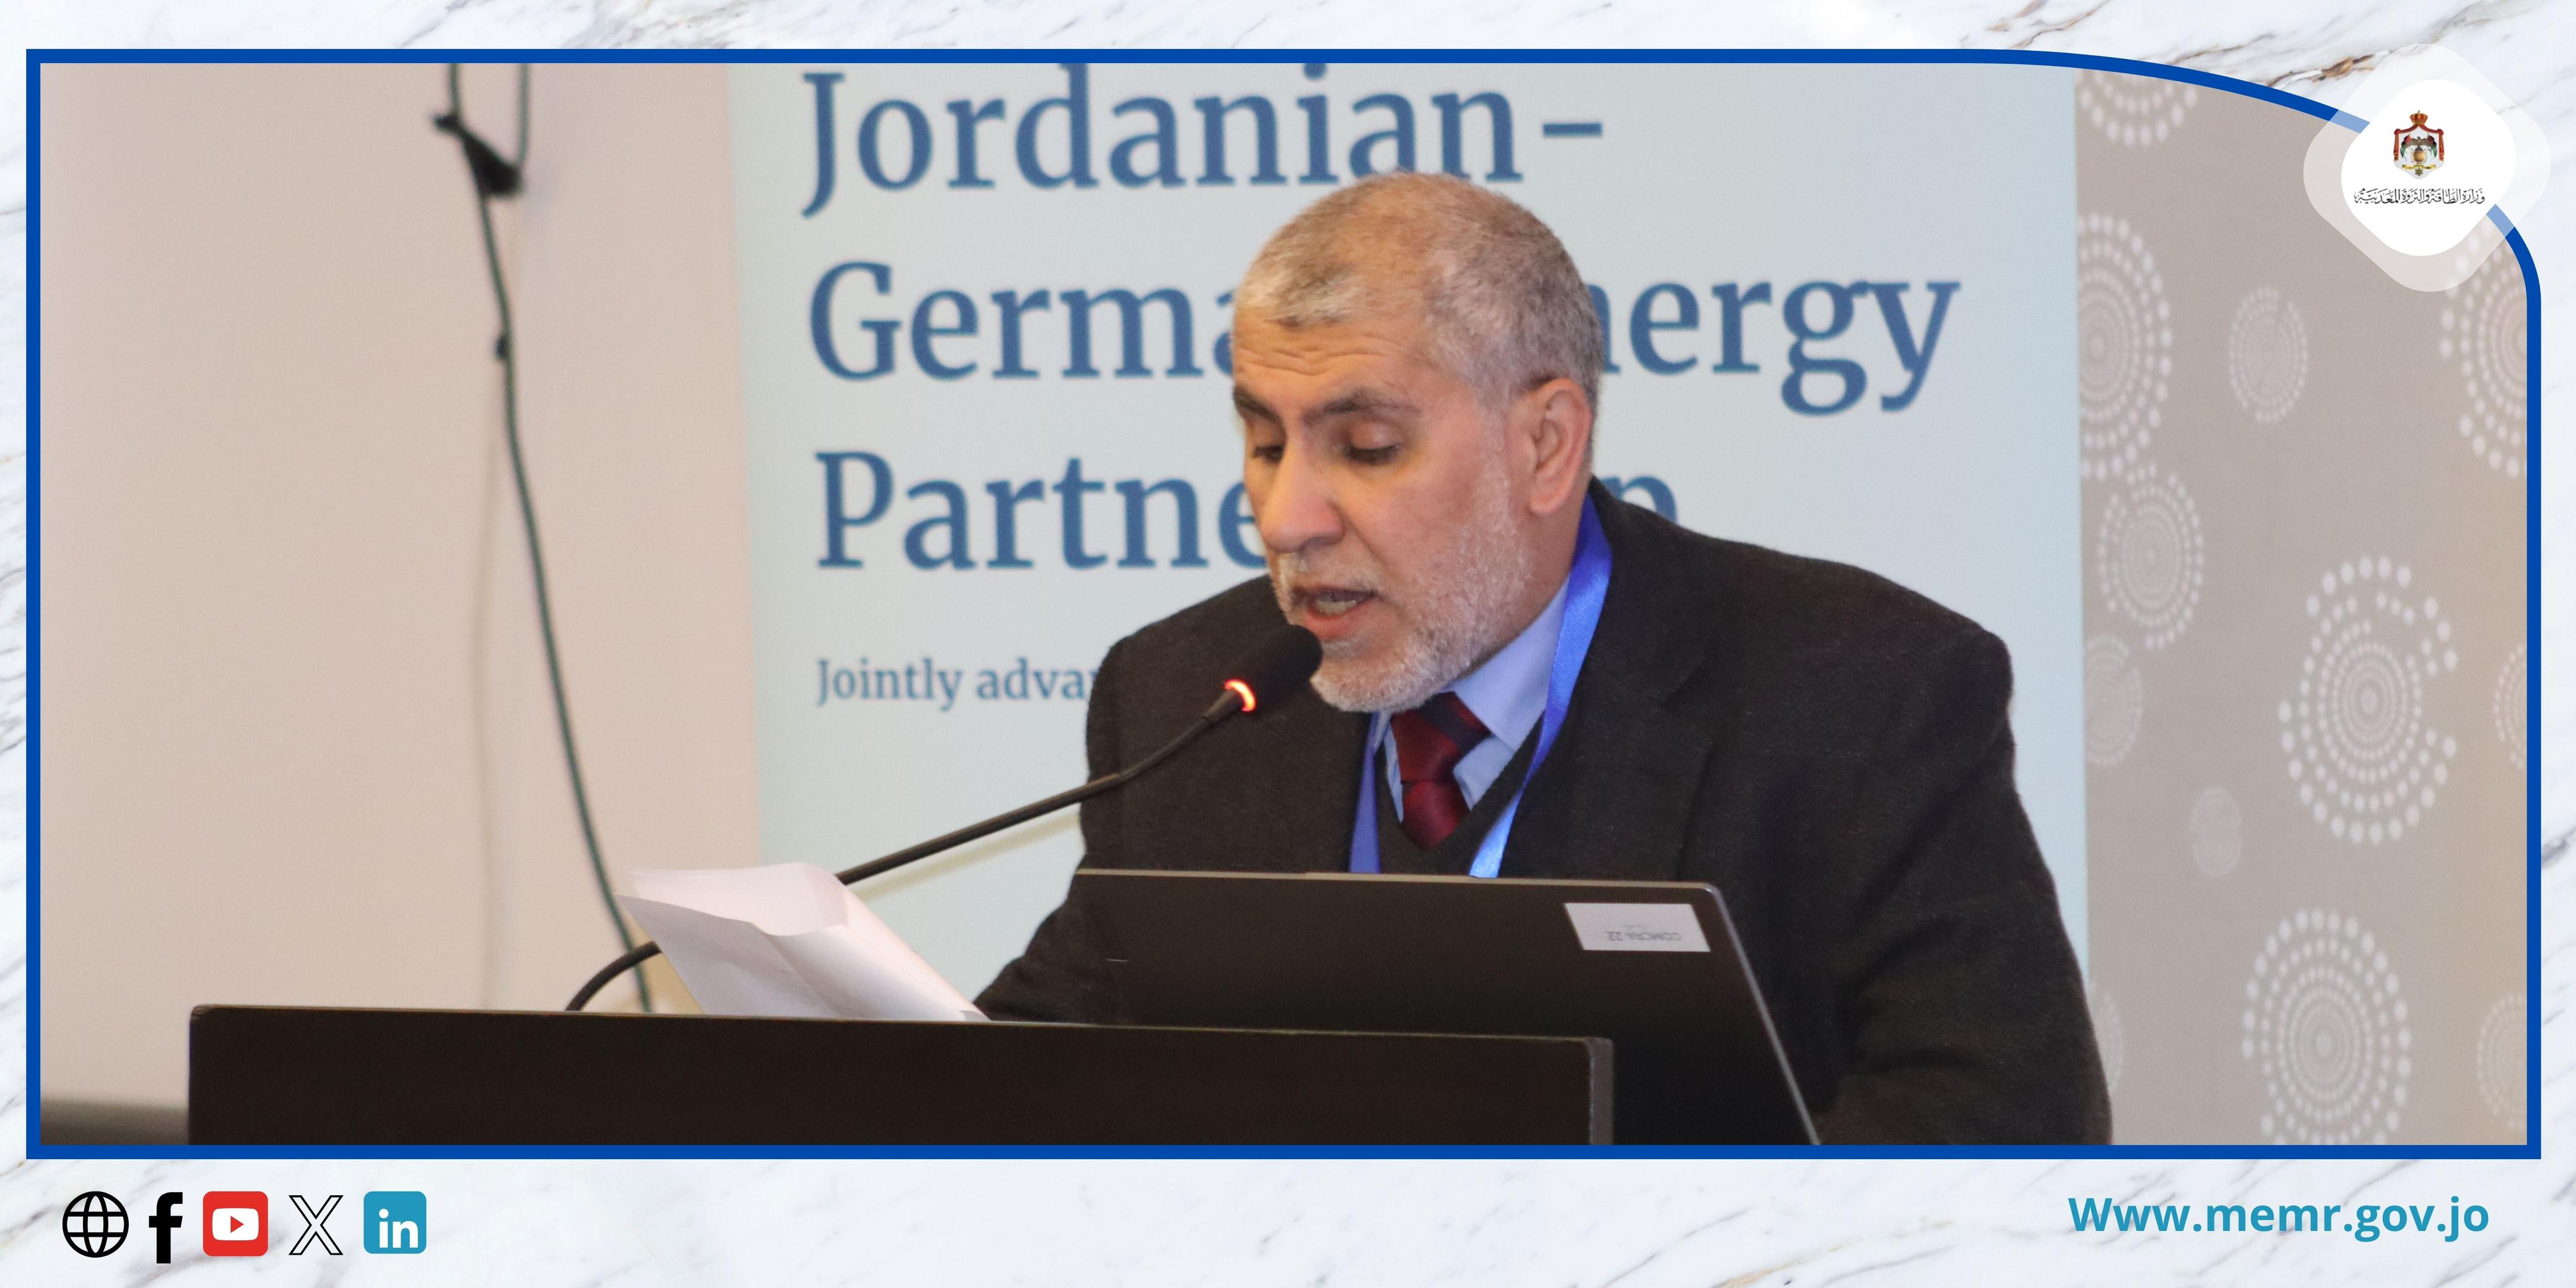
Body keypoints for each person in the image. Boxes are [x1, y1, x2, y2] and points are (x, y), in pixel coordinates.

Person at [975, 172, 2110, 1145]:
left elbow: (2007, 1121)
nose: (1287, 518)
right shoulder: (1186, 697)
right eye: (1266, 444)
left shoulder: (1860, 693)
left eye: (1365, 447)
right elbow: (1032, 1068)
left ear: (1546, 445)